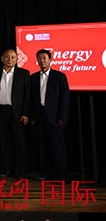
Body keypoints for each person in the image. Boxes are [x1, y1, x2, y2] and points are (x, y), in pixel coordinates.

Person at [30, 49, 70, 181]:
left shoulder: (59, 76)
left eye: (44, 58)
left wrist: (62, 117)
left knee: (58, 146)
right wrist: (33, 117)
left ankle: (61, 174)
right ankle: (44, 173)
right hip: (39, 116)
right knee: (42, 146)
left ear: (50, 60)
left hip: (55, 117)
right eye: (39, 58)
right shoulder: (33, 77)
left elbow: (65, 98)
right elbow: (31, 99)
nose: (42, 61)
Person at [0, 48, 31, 179]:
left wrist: (25, 113)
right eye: (7, 57)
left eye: (12, 57)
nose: (9, 60)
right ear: (2, 58)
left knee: (20, 142)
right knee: (4, 141)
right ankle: (7, 169)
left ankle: (20, 170)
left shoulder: (23, 74)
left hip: (17, 112)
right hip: (2, 111)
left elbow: (27, 96)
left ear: (17, 59)